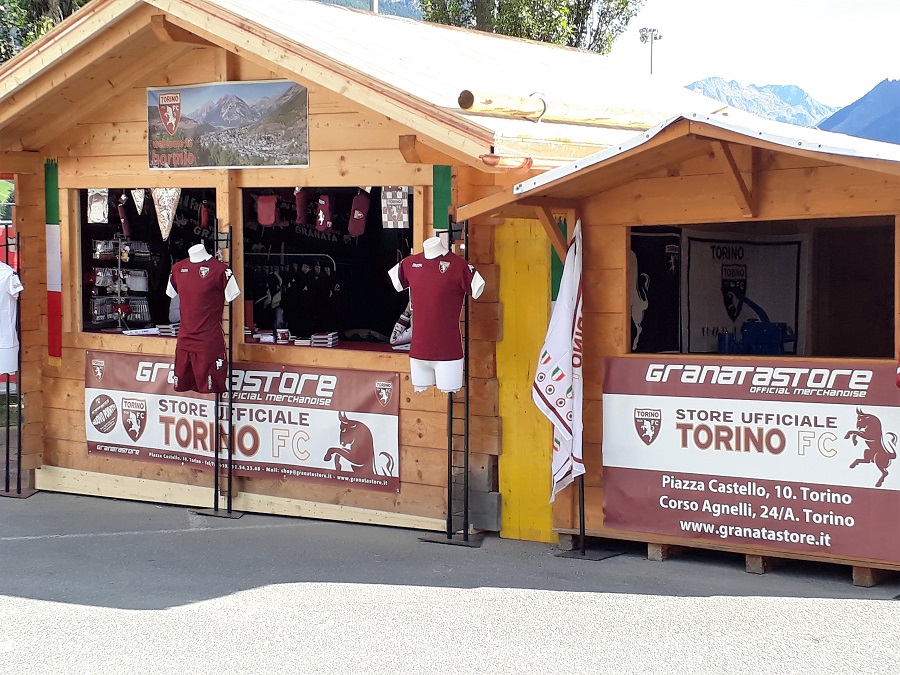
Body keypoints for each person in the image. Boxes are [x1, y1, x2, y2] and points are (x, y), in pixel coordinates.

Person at [388, 236, 484, 393]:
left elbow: (477, 286)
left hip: (448, 353)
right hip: (418, 353)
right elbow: (397, 282)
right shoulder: (409, 264)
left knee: (449, 392)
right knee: (420, 398)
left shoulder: (459, 266)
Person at [166, 243, 240, 393]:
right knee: (184, 385)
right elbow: (171, 293)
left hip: (208, 342)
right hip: (184, 340)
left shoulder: (221, 270)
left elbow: (233, 294)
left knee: (213, 387)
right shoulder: (177, 269)